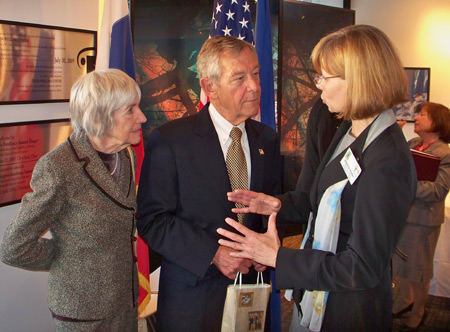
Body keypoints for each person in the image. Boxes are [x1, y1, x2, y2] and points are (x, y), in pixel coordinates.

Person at [217, 24, 417, 332]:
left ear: (358, 78)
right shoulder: (351, 131)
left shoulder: (387, 158)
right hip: (320, 297)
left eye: (324, 76)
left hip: (348, 312)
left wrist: (277, 257)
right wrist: (275, 205)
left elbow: (361, 268)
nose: (318, 85)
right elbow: (321, 200)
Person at [136, 36, 281, 332]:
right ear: (209, 86)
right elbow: (153, 220)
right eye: (239, 77)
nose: (254, 86)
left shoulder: (267, 139)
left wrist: (268, 246)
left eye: (255, 73)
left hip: (251, 296)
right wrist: (212, 253)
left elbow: (271, 209)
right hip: (194, 300)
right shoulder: (171, 141)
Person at [0, 68, 147, 332]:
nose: (142, 117)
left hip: (125, 303)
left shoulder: (126, 156)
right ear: (100, 116)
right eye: (130, 110)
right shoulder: (59, 167)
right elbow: (14, 246)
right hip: (83, 313)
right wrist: (66, 257)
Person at [392, 102, 450, 331]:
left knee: (419, 269)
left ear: (437, 122)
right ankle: (406, 300)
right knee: (403, 263)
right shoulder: (413, 144)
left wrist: (406, 185)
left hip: (424, 221)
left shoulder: (444, 153)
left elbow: (438, 190)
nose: (417, 117)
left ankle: (420, 310)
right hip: (403, 215)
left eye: (423, 114)